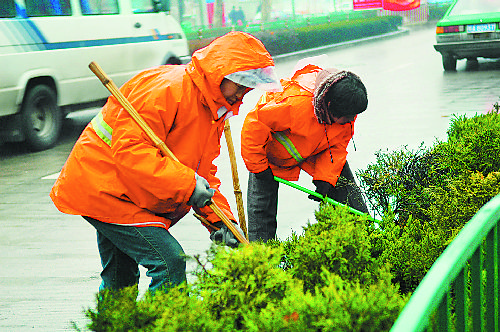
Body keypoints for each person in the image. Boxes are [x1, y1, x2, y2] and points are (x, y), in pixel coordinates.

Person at [50, 31, 280, 293]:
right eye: (240, 86)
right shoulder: (169, 90)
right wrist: (188, 185)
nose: (242, 95)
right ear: (220, 74)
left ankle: (112, 323)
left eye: (248, 89)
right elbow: (132, 152)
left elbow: (200, 172)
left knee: (120, 278)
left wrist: (220, 221)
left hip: (123, 191)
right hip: (104, 188)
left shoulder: (211, 107)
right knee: (168, 263)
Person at [240, 59, 369, 242]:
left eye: (353, 116)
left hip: (315, 148)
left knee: (349, 196)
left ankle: (366, 240)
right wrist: (259, 168)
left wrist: (325, 179)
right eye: (347, 117)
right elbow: (254, 126)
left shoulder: (347, 110)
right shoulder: (294, 104)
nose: (351, 121)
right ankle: (262, 262)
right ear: (329, 106)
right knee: (261, 213)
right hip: (270, 157)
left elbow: (337, 147)